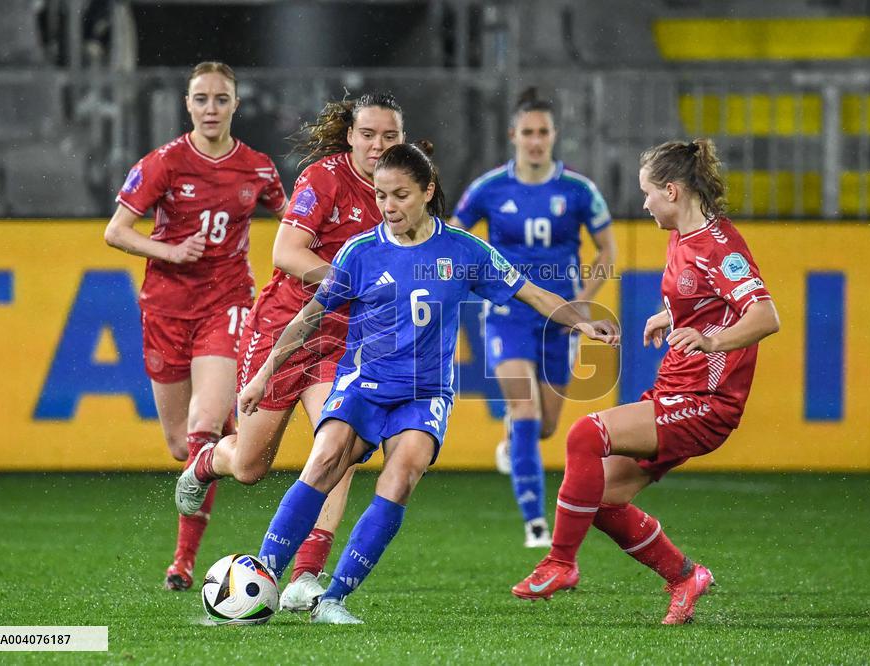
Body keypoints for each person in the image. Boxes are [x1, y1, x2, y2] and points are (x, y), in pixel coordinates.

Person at [239, 142, 619, 624]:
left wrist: (580, 318)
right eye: (380, 196)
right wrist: (264, 373)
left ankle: (331, 600)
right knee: (326, 457)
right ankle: (262, 575)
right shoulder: (360, 252)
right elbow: (308, 317)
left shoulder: (463, 251)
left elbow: (529, 291)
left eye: (400, 195)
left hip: (424, 393)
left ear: (428, 191)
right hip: (364, 384)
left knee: (402, 476)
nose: (389, 207)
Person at [511, 138, 781, 625]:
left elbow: (765, 315)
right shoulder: (683, 237)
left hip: (706, 400)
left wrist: (711, 342)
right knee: (601, 498)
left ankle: (560, 563)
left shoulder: (721, 248)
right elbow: (704, 302)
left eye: (648, 192)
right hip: (675, 388)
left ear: (673, 191)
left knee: (584, 434)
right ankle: (685, 577)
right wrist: (669, 315)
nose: (644, 202)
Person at [174, 93, 405, 610]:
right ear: (351, 136)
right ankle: (209, 461)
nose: (378, 145)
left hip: (345, 340)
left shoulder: (405, 192)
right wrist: (351, 283)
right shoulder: (324, 178)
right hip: (285, 326)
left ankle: (306, 574)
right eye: (368, 134)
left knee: (338, 446)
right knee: (251, 468)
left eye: (389, 137)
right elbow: (285, 252)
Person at [104, 62, 288, 590]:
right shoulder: (163, 163)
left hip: (227, 304)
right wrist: (169, 251)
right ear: (188, 104)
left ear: (235, 104)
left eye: (221, 99)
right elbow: (116, 232)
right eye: (202, 99)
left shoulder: (256, 168)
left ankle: (182, 562)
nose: (211, 108)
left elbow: (295, 220)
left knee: (201, 428)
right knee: (182, 446)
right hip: (165, 308)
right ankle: (233, 442)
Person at [449, 87, 616, 548]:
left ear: (554, 135)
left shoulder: (579, 191)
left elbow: (607, 250)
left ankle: (512, 445)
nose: (536, 141)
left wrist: (582, 300)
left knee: (543, 425)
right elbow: (455, 237)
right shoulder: (487, 188)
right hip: (506, 313)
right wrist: (464, 278)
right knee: (524, 408)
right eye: (528, 132)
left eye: (543, 132)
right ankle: (535, 525)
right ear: (513, 136)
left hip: (560, 318)